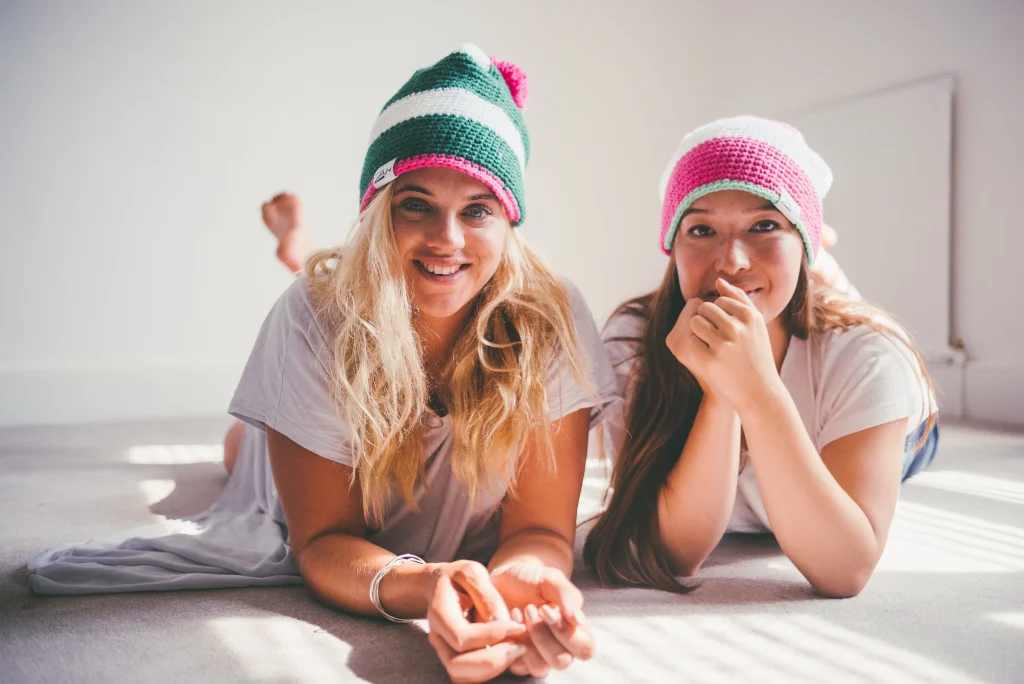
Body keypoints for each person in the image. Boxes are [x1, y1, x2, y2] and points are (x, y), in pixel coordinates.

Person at [30, 44, 620, 683]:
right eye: (413, 204)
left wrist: (521, 584)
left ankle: (301, 249)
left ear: (508, 223)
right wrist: (423, 586)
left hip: (369, 309)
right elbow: (320, 541)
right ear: (375, 211)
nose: (447, 237)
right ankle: (299, 254)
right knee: (241, 452)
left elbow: (540, 529)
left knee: (343, 306)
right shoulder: (312, 315)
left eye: (476, 209)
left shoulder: (551, 316)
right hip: (329, 348)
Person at [584, 116, 938, 598]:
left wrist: (757, 386)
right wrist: (721, 391)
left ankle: (820, 269)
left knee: (872, 348)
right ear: (672, 250)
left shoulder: (869, 355)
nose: (731, 261)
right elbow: (668, 553)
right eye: (701, 229)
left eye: (765, 225)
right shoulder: (635, 341)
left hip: (908, 432)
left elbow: (844, 569)